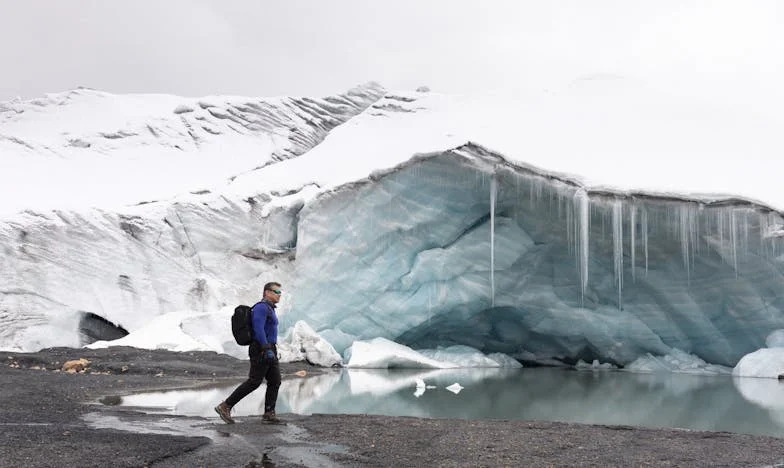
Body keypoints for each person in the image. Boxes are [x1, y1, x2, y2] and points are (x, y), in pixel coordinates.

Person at [215, 282, 282, 423]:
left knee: (275, 381)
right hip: (261, 348)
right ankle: (225, 406)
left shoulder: (270, 308)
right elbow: (258, 329)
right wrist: (266, 348)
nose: (279, 295)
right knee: (254, 381)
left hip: (269, 347)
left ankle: (269, 413)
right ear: (267, 292)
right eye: (276, 292)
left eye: (280, 292)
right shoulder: (261, 308)